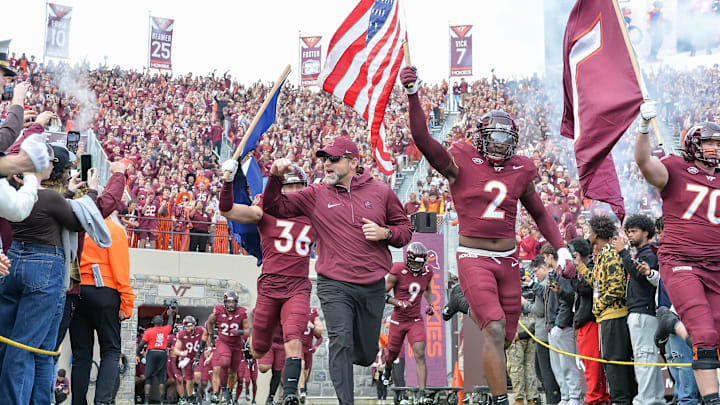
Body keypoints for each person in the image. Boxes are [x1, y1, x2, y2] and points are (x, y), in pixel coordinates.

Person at [400, 66, 572, 405]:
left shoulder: (520, 168)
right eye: (493, 136)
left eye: (505, 138)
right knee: (492, 328)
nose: (499, 144)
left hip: (508, 260)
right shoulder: (461, 158)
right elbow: (423, 140)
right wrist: (413, 94)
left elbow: (538, 212)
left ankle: (461, 301)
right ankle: (499, 400)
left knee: (505, 337)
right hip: (473, 256)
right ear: (481, 136)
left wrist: (562, 248)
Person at [262, 136, 413, 405]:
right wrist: (274, 178)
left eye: (333, 159)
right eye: (324, 159)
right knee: (340, 341)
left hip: (372, 285)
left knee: (366, 355)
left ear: (353, 162)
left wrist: (385, 232)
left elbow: (405, 231)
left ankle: (356, 355)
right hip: (333, 284)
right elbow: (275, 207)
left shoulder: (381, 192)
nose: (326, 164)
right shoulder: (315, 193)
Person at [635, 100, 720, 404]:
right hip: (682, 262)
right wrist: (644, 128)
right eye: (709, 142)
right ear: (694, 145)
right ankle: (712, 400)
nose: (715, 148)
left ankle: (671, 324)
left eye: (717, 143)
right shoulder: (675, 167)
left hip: (716, 266)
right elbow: (645, 164)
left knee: (713, 339)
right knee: (704, 335)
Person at [0, 149, 99, 405]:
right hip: (44, 267)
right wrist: (92, 192)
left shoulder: (16, 194)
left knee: (25, 344)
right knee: (27, 347)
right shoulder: (49, 198)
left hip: (15, 260)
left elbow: (46, 209)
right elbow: (78, 223)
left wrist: (66, 193)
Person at [219, 161, 316, 405]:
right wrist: (227, 182)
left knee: (294, 340)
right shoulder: (265, 210)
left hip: (298, 286)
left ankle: (291, 395)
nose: (296, 193)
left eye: (300, 187)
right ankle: (259, 342)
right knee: (259, 350)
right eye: (290, 187)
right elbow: (227, 211)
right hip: (270, 287)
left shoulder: (315, 216)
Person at [71, 213, 135, 405]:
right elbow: (121, 270)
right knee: (111, 350)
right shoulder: (113, 230)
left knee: (81, 354)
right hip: (105, 292)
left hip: (77, 291)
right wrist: (127, 302)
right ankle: (102, 401)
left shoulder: (77, 228)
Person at [574, 215, 637, 404]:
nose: (587, 234)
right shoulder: (602, 255)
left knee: (616, 363)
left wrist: (598, 307)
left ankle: (622, 400)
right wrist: (582, 268)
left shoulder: (610, 254)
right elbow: (598, 284)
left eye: (589, 230)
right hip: (606, 318)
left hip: (614, 317)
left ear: (596, 233)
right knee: (610, 362)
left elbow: (617, 288)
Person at [615, 214, 665, 405]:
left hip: (643, 312)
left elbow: (637, 276)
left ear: (646, 232)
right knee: (647, 358)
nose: (629, 235)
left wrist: (623, 253)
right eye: (628, 231)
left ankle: (645, 400)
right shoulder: (641, 253)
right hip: (641, 311)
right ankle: (656, 399)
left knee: (644, 359)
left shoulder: (648, 254)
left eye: (634, 231)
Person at [382, 242, 434, 401]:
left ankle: (422, 393)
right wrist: (398, 302)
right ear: (408, 259)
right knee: (392, 354)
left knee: (419, 354)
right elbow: (380, 294)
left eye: (420, 263)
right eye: (414, 262)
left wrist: (430, 304)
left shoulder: (428, 272)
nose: (417, 266)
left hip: (415, 319)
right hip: (398, 320)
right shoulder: (398, 270)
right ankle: (388, 369)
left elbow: (428, 288)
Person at [566, 238, 609, 405]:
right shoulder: (581, 270)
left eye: (572, 255)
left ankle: (595, 398)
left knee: (593, 364)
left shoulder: (591, 268)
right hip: (584, 321)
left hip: (591, 321)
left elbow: (584, 288)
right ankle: (599, 396)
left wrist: (577, 267)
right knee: (591, 363)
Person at [541, 244, 583, 405]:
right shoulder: (556, 274)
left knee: (567, 364)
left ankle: (573, 396)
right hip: (553, 326)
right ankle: (565, 396)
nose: (544, 261)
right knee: (558, 366)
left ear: (551, 256)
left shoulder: (564, 274)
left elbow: (568, 300)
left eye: (545, 257)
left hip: (562, 327)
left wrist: (559, 324)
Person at [523, 256, 560, 405]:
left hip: (544, 335)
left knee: (546, 373)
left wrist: (524, 303)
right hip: (543, 333)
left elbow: (539, 310)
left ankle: (553, 401)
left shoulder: (545, 285)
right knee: (543, 371)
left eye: (537, 271)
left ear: (544, 267)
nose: (536, 274)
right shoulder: (546, 283)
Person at [204, 290, 249, 403]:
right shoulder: (218, 311)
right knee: (224, 362)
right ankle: (223, 389)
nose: (230, 304)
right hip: (223, 342)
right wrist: (212, 336)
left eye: (233, 302)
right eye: (228, 302)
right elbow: (210, 322)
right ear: (224, 302)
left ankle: (229, 391)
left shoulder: (242, 313)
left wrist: (238, 332)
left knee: (233, 372)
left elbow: (248, 331)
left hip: (236, 345)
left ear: (236, 302)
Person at [136, 309, 177, 405]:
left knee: (148, 377)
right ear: (162, 322)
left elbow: (141, 344)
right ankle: (162, 401)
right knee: (162, 378)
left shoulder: (149, 331)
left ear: (153, 322)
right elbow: (170, 324)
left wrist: (137, 354)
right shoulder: (165, 329)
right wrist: (170, 315)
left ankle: (146, 401)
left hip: (152, 352)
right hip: (162, 352)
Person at [173, 316, 204, 404]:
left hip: (198, 356)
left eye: (190, 325)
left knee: (197, 374)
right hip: (188, 358)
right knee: (189, 380)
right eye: (187, 326)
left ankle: (195, 388)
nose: (189, 328)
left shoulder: (200, 330)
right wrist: (182, 353)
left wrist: (208, 349)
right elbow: (176, 350)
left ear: (194, 325)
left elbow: (207, 339)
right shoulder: (182, 334)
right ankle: (191, 398)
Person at [298, 307, 324, 404]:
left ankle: (303, 388)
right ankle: (302, 391)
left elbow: (320, 336)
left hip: (308, 349)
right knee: (301, 364)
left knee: (306, 374)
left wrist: (315, 346)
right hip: (298, 347)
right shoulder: (296, 312)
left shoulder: (313, 313)